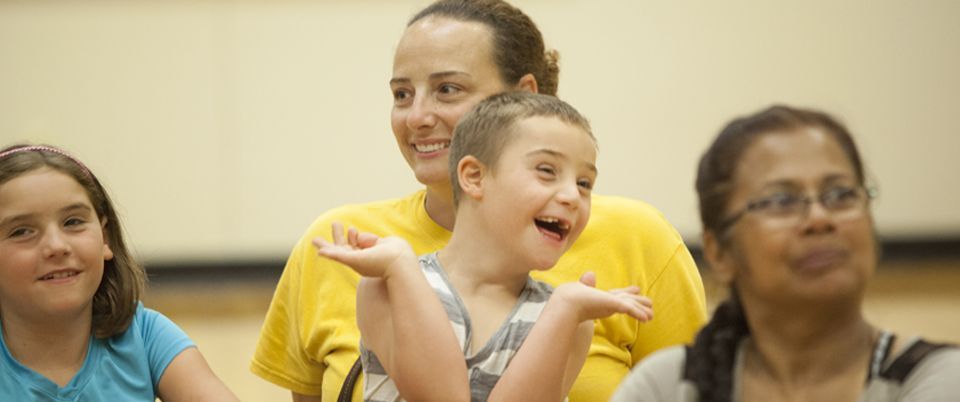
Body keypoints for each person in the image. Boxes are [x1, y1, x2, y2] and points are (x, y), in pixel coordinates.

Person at [251, 1, 707, 401]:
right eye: (402, 94)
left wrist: (566, 310)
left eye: (448, 89)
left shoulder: (638, 238)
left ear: (523, 99)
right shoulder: (341, 245)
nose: (417, 117)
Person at [314, 92, 654, 402]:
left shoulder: (570, 316)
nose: (571, 196)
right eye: (547, 171)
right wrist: (401, 265)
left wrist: (565, 309)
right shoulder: (387, 285)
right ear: (474, 177)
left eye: (584, 183)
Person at [610, 105, 960, 402]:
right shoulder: (668, 386)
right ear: (718, 252)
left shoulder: (937, 381)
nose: (820, 218)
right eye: (781, 201)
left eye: (840, 194)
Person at [0, 144, 239, 401]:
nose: (57, 247)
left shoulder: (146, 334)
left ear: (105, 238)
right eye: (22, 231)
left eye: (73, 222)